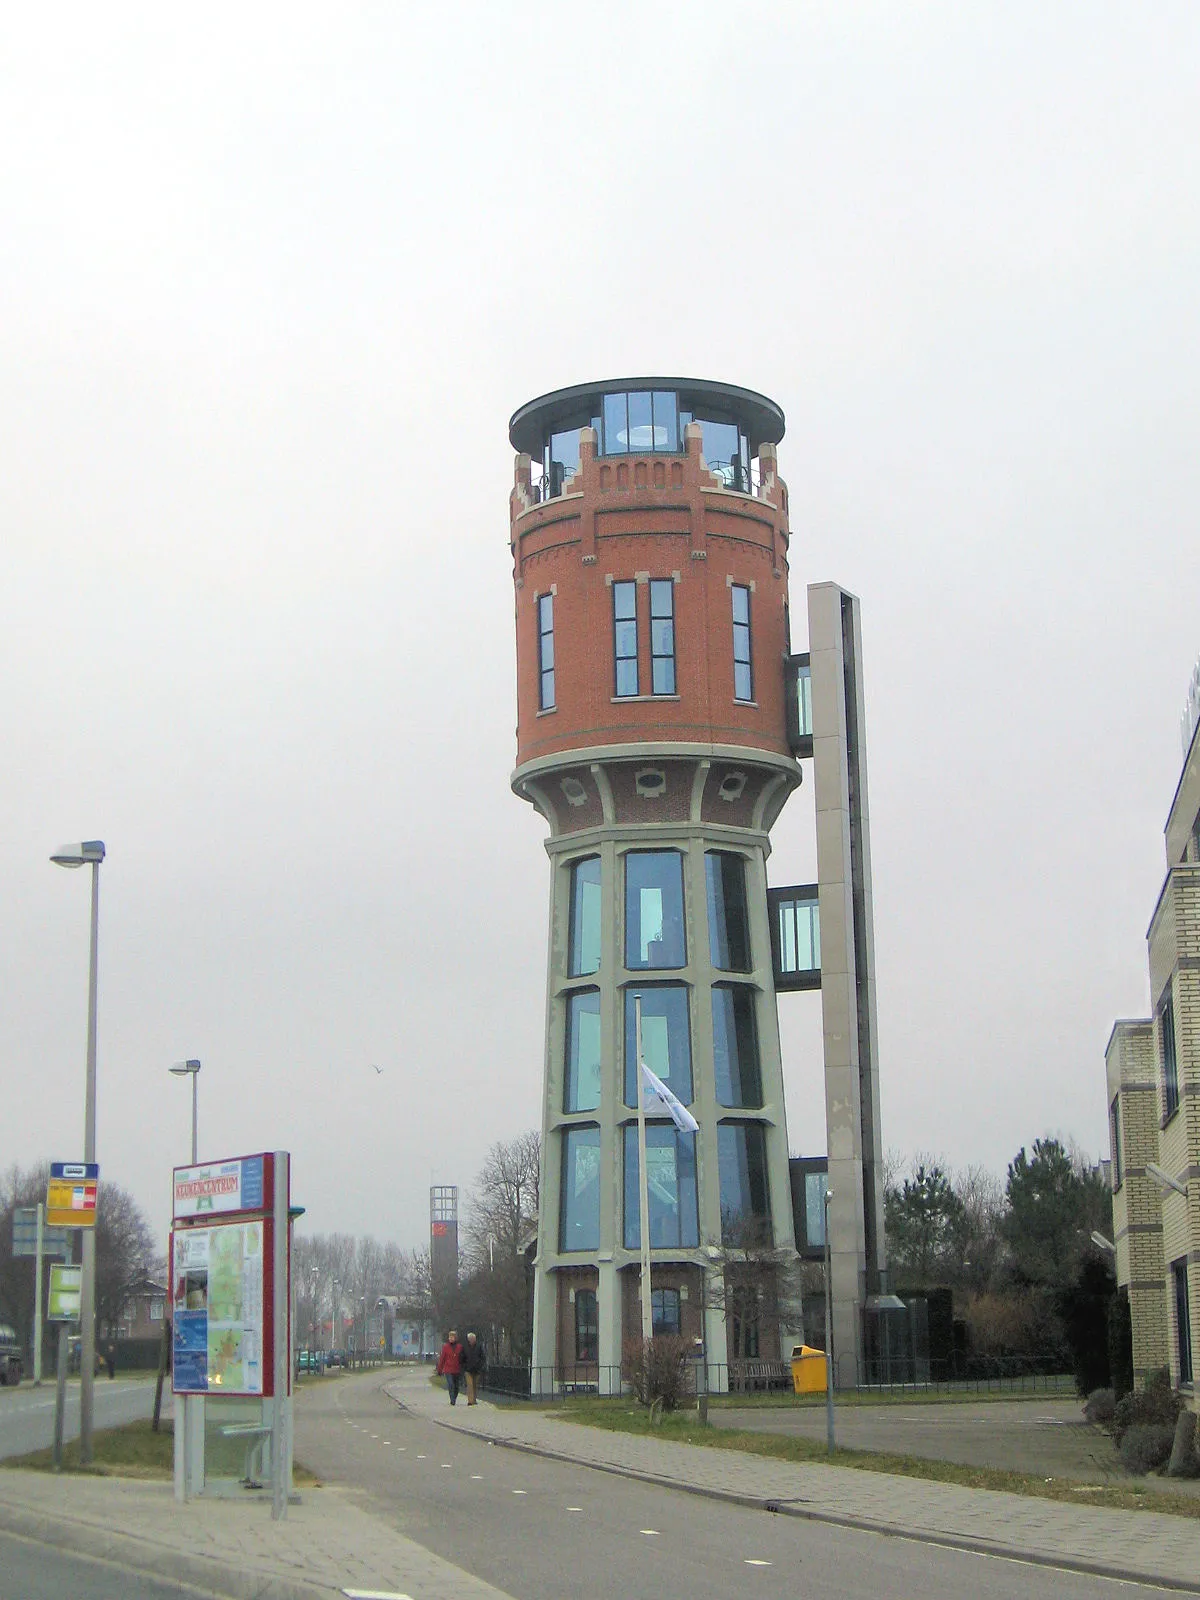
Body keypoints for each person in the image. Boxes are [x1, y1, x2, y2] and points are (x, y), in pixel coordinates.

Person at [436, 1329, 464, 1404]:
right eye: (450, 1337)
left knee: (456, 1386)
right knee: (451, 1384)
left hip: (457, 1369)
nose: (451, 1338)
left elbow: (462, 1358)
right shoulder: (446, 1347)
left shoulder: (460, 1347)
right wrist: (439, 1369)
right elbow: (442, 1359)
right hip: (448, 1369)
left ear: (455, 1338)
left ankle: (454, 1396)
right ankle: (452, 1399)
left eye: (452, 1337)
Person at [461, 1331, 486, 1405]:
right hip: (468, 1369)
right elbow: (462, 1357)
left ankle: (474, 1399)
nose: (472, 1340)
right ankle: (470, 1401)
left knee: (475, 1385)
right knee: (470, 1384)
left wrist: (480, 1365)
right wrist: (464, 1366)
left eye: (473, 1338)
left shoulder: (479, 1346)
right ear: (468, 1339)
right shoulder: (465, 1347)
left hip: (477, 1369)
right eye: (470, 1339)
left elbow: (483, 1357)